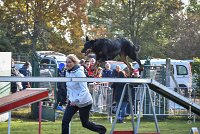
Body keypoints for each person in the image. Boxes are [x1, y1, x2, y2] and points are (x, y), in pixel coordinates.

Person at [62, 54, 106, 134]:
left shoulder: (79, 73)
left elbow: (84, 90)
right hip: (72, 101)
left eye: (69, 62)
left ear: (74, 62)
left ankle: (101, 130)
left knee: (85, 124)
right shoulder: (67, 72)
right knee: (65, 121)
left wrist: (77, 100)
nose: (67, 64)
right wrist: (69, 98)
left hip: (84, 101)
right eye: (66, 62)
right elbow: (69, 87)